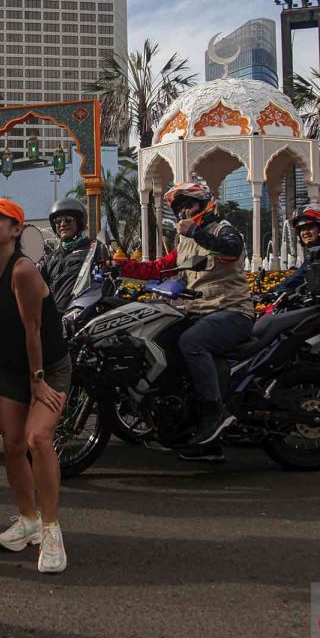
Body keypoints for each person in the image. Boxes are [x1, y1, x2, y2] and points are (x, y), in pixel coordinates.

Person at [114, 182, 254, 447]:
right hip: (197, 314)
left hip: (231, 313)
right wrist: (120, 266)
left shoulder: (223, 230)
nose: (183, 212)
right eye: (178, 208)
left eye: (187, 205)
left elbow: (231, 250)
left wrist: (198, 232)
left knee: (192, 342)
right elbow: (158, 269)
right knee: (161, 339)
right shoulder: (184, 243)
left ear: (203, 204)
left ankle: (214, 413)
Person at [0, 198, 71, 572]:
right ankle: (27, 519)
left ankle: (51, 531)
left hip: (48, 368)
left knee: (38, 439)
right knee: (12, 445)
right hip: (12, 369)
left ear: (17, 230)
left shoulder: (23, 271)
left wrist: (37, 382)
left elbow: (33, 331)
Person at [36, 197, 110, 313]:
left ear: (79, 223)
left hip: (81, 317)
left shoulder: (93, 250)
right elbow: (32, 279)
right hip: (54, 319)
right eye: (58, 221)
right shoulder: (52, 257)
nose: (62, 224)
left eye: (68, 220)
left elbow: (107, 282)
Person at [266, 203, 320, 298]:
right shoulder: (315, 253)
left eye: (309, 227)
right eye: (301, 229)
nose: (305, 233)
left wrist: (275, 292)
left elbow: (300, 277)